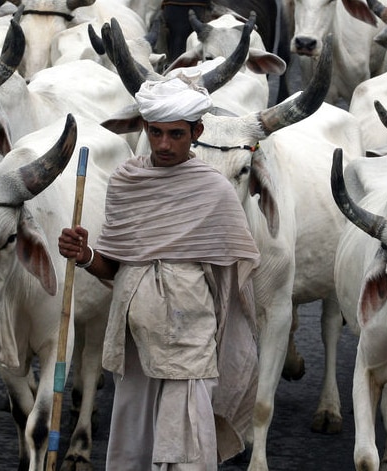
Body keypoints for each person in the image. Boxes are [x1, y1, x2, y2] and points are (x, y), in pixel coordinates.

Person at [58, 75, 261, 470]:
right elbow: (115, 268)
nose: (165, 144)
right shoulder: (125, 182)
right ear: (146, 130)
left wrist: (225, 339)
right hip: (134, 338)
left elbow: (231, 281)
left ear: (196, 132)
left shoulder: (214, 189)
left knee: (184, 448)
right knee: (133, 448)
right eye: (156, 133)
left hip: (191, 339)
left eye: (176, 134)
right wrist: (84, 255)